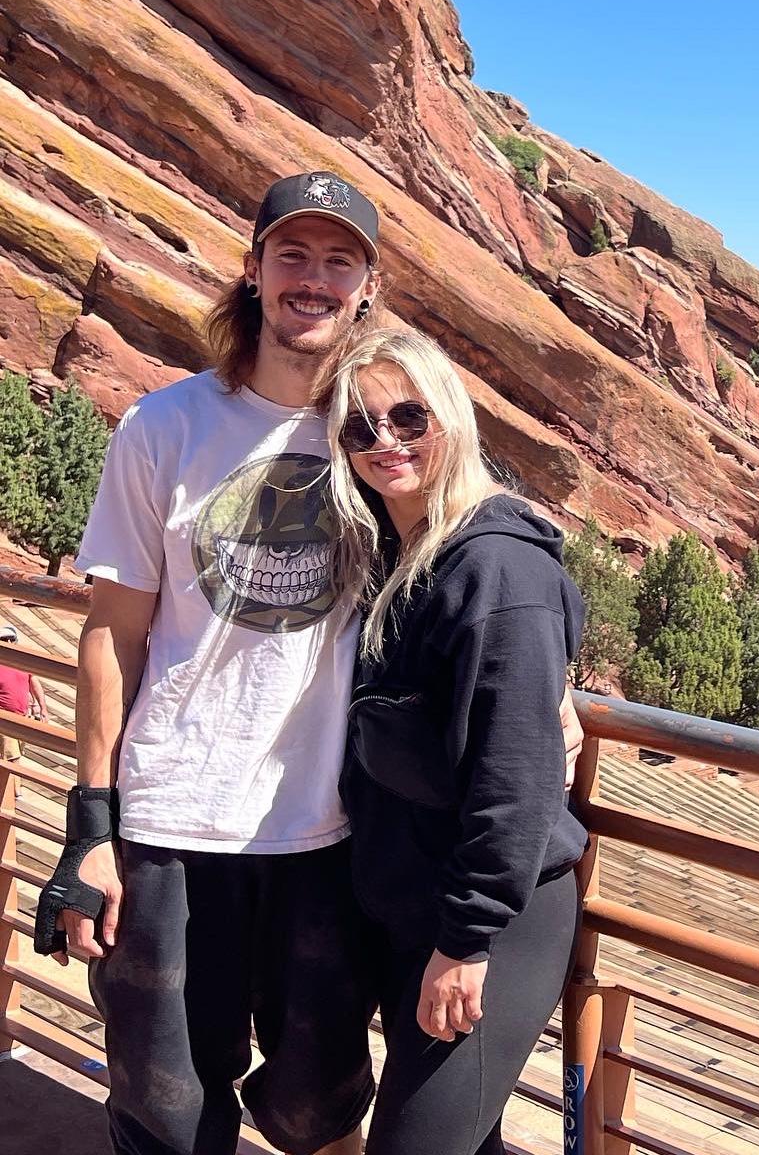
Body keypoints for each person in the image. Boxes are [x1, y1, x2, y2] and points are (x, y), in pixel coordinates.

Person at [31, 170, 583, 1155]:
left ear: (367, 288)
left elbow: (468, 570)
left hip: (328, 839)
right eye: (292, 254)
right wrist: (91, 830)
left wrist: (551, 686)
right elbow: (112, 632)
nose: (313, 279)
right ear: (254, 270)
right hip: (170, 826)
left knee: (317, 1112)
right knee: (166, 1114)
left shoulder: (375, 437)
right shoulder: (166, 428)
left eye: (340, 261)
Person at [317, 326, 587, 1155]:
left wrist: (466, 942)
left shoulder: (497, 571)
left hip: (490, 920)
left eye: (409, 417)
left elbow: (516, 779)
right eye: (359, 426)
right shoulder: (393, 552)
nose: (385, 441)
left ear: (452, 418)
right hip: (413, 899)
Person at [1, 625, 49, 763]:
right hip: (5, 719)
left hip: (22, 717)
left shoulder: (22, 661)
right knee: (12, 759)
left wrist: (41, 707)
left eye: (11, 639)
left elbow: (33, 682)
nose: (8, 642)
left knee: (12, 758)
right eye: (4, 639)